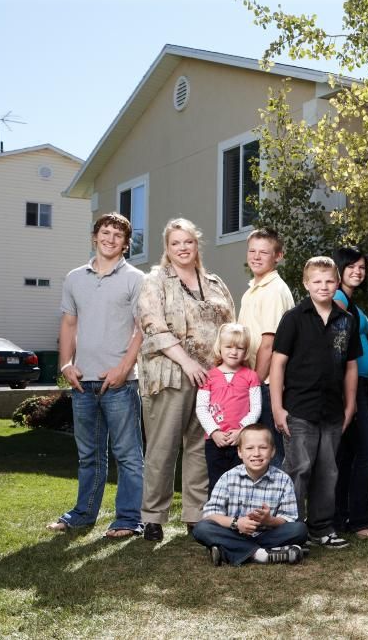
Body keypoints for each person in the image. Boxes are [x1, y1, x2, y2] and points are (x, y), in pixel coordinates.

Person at [46, 213, 145, 538]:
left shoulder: (135, 279)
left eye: (118, 234)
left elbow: (141, 330)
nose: (111, 238)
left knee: (128, 455)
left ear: (126, 243)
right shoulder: (74, 278)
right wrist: (65, 364)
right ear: (95, 237)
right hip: (81, 382)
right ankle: (83, 514)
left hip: (120, 383)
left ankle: (128, 519)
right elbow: (69, 323)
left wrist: (123, 369)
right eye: (105, 232)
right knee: (89, 455)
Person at [138, 218, 235, 541]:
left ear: (197, 246)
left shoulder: (215, 282)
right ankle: (153, 517)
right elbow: (154, 326)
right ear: (167, 248)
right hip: (171, 375)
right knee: (162, 448)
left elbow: (230, 329)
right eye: (176, 243)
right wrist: (187, 362)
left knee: (199, 447)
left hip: (209, 379)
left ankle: (196, 514)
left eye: (188, 242)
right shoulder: (155, 282)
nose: (183, 248)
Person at [270, 256, 360, 550]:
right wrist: (277, 407)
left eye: (329, 281)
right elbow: (278, 364)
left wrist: (350, 406)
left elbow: (350, 366)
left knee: (328, 470)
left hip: (333, 411)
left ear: (337, 283)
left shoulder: (346, 321)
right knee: (299, 469)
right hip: (299, 409)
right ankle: (293, 530)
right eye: (317, 281)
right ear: (306, 284)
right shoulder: (293, 318)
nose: (324, 286)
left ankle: (322, 528)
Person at [192, 425, 309, 566]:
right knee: (202, 528)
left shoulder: (283, 480)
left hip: (267, 534)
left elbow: (288, 518)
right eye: (250, 448)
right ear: (240, 452)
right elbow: (210, 514)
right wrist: (236, 523)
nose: (256, 453)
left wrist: (269, 520)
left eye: (263, 448)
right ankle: (261, 554)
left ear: (272, 452)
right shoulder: (228, 478)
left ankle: (229, 550)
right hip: (233, 532)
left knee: (299, 529)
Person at [332, 245, 368, 540]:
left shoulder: (351, 301)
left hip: (359, 384)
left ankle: (340, 518)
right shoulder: (337, 300)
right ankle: (359, 521)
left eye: (362, 267)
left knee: (346, 455)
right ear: (339, 268)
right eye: (352, 266)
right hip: (345, 386)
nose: (358, 271)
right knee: (367, 452)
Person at [238, 228, 295, 468]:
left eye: (264, 252)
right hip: (256, 381)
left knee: (271, 453)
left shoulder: (273, 290)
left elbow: (269, 343)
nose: (256, 257)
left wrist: (254, 384)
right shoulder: (254, 288)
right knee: (257, 452)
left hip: (268, 385)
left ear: (278, 256)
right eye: (252, 251)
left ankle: (277, 505)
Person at [196, 323, 262, 496]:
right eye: (229, 347)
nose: (234, 352)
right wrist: (214, 432)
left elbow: (255, 408)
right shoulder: (208, 377)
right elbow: (201, 409)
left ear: (246, 350)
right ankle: (216, 520)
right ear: (220, 348)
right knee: (216, 483)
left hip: (241, 441)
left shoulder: (251, 376)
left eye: (240, 348)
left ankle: (239, 520)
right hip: (215, 441)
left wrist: (241, 430)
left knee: (242, 485)